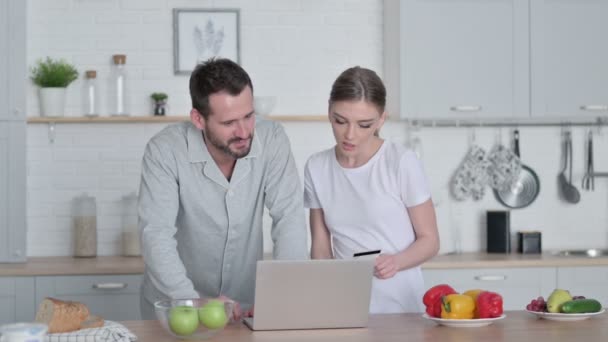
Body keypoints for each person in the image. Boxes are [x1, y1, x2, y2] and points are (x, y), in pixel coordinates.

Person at [138, 58, 308, 320]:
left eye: (249, 116)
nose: (244, 132)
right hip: (176, 308)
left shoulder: (272, 139)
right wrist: (193, 302)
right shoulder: (164, 150)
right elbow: (156, 235)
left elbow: (289, 218)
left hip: (245, 309)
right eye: (229, 123)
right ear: (198, 119)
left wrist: (281, 295)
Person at [303, 66, 440, 314]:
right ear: (329, 111)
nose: (350, 135)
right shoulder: (317, 167)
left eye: (364, 125)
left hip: (400, 308)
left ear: (381, 120)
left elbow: (430, 241)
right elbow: (321, 249)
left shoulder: (400, 161)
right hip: (345, 305)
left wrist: (396, 262)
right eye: (340, 121)